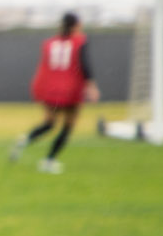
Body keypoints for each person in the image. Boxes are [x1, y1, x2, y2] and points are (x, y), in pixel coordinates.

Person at [10, 12, 98, 173]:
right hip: (69, 89)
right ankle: (49, 160)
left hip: (50, 88)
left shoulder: (50, 43)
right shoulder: (79, 41)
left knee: (50, 123)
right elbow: (84, 64)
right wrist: (91, 85)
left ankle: (25, 139)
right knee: (68, 125)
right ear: (75, 26)